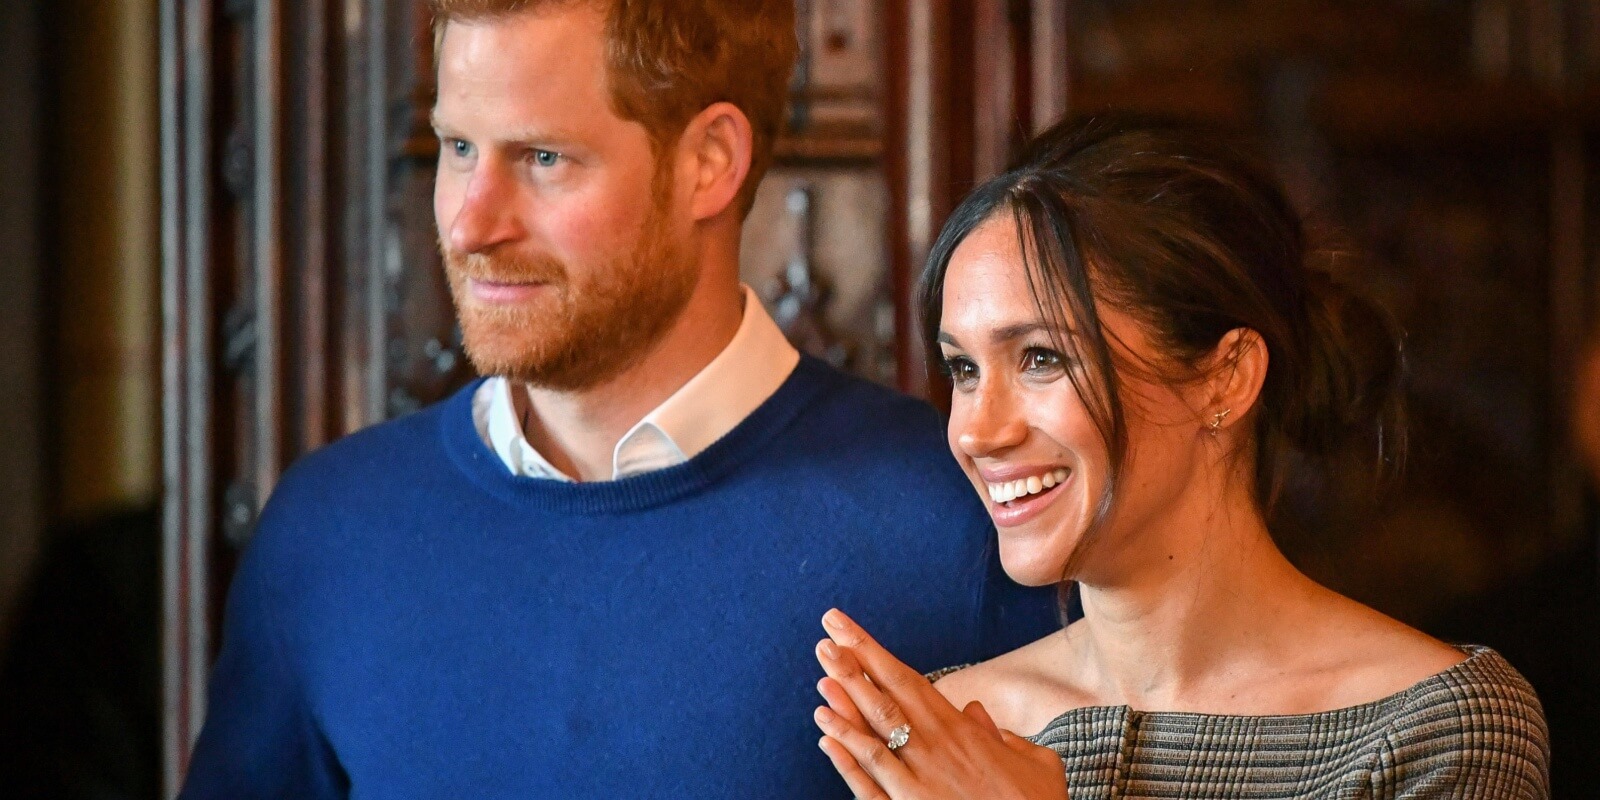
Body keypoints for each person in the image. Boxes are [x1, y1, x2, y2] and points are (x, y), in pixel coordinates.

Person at [178, 2, 1055, 797]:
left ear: (709, 163)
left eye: (543, 157)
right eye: (456, 148)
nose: (468, 224)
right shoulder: (330, 531)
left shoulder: (965, 521)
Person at [806, 118, 1552, 799]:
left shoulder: (1436, 731)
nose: (975, 430)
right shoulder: (946, 733)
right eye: (964, 370)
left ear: (1225, 376)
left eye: (1040, 357)